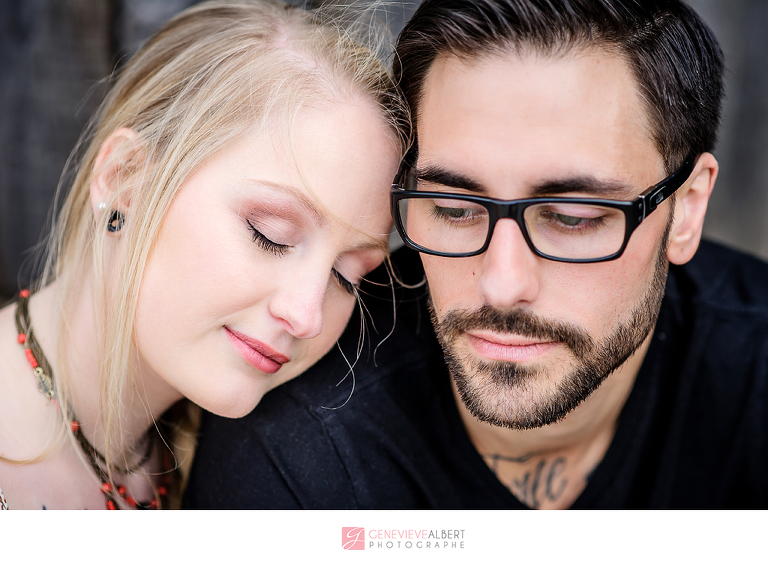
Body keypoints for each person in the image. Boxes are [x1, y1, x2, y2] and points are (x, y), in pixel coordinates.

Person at [185, 0, 768, 509]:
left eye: (573, 218)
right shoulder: (302, 448)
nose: (501, 283)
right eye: (455, 210)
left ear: (686, 210)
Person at [0, 0, 407, 509]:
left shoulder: (216, 471)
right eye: (270, 234)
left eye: (347, 277)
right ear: (126, 179)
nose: (306, 315)